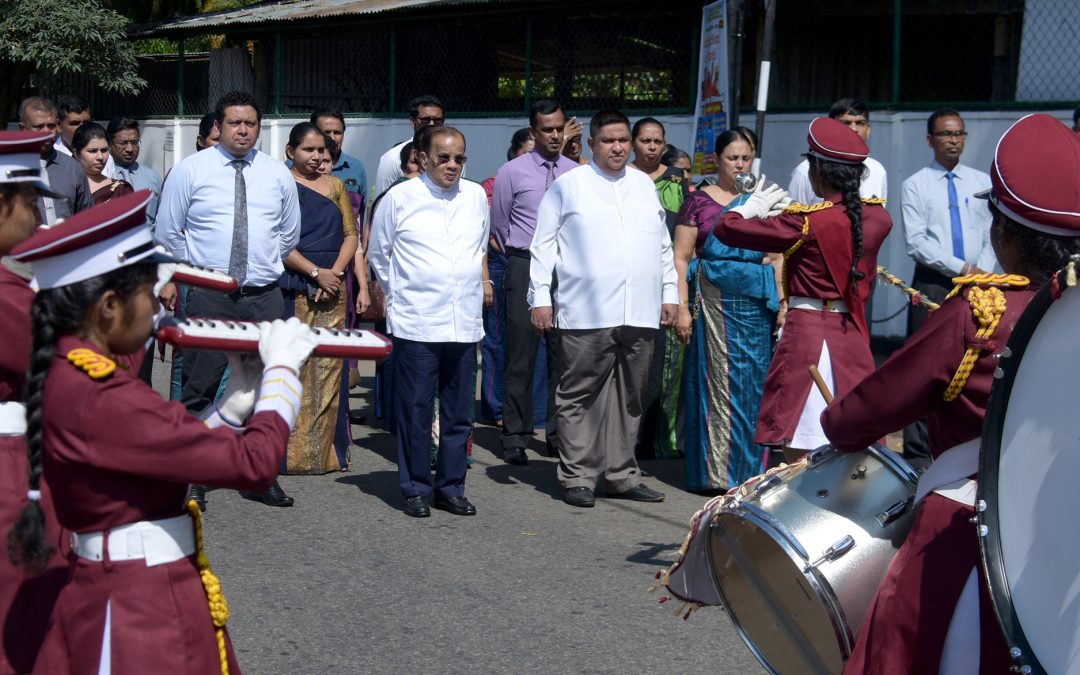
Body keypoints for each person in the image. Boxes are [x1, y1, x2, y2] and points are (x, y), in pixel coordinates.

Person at [7, 190, 318, 673]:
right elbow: (255, 466)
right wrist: (282, 373)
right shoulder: (100, 392)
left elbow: (160, 457)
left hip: (128, 585)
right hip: (139, 608)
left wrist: (234, 404)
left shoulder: (75, 373)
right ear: (108, 307)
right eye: (148, 295)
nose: (157, 308)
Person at [822, 113, 1080, 674]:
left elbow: (866, 412)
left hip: (969, 534)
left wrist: (838, 422)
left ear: (1005, 232)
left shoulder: (981, 311)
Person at [712, 117, 892, 461]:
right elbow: (844, 221)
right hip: (850, 334)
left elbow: (725, 228)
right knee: (856, 434)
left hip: (808, 332)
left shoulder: (806, 222)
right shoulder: (878, 218)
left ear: (818, 171)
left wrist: (751, 207)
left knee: (799, 438)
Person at [156, 90, 301, 509]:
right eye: (235, 123)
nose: (243, 130)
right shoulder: (190, 171)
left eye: (250, 123)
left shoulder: (275, 174)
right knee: (199, 386)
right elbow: (168, 231)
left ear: (260, 128)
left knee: (263, 388)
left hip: (263, 296)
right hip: (210, 296)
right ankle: (191, 476)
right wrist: (199, 274)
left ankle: (257, 475)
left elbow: (288, 233)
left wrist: (260, 264)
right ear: (218, 127)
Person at [529, 108, 676, 508]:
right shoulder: (569, 185)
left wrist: (670, 293)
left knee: (630, 396)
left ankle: (621, 474)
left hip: (640, 309)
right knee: (580, 395)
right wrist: (540, 297)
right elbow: (543, 245)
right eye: (608, 140)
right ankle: (578, 475)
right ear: (592, 144)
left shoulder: (643, 185)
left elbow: (663, 245)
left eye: (623, 140)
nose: (617, 147)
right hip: (586, 311)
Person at [368, 126, 490, 518]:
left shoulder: (475, 196)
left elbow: (479, 247)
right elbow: (379, 253)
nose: (452, 165)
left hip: (463, 321)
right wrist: (403, 295)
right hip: (418, 321)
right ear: (423, 158)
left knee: (459, 413)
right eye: (443, 158)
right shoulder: (399, 198)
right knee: (417, 410)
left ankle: (451, 488)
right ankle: (416, 488)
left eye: (459, 158)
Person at [0, 130, 71, 674]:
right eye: (29, 203)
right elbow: (74, 370)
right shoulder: (5, 290)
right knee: (27, 620)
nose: (39, 218)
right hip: (10, 462)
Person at [674, 128, 780, 491]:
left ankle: (751, 473)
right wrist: (682, 308)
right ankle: (715, 473)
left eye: (746, 158)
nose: (739, 165)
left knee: (753, 385)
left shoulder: (762, 199)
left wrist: (782, 302)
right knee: (716, 384)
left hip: (755, 305)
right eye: (732, 158)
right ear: (717, 160)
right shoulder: (699, 202)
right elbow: (681, 257)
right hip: (713, 302)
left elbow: (778, 255)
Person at [901, 108, 996, 471]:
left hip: (978, 282)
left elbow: (990, 232)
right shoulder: (916, 184)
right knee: (924, 365)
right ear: (930, 140)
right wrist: (962, 269)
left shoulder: (980, 182)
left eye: (959, 133)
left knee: (972, 362)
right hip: (934, 282)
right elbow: (917, 242)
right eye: (945, 134)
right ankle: (918, 454)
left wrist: (981, 271)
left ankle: (965, 444)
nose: (954, 140)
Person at [493, 100, 578, 466]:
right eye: (547, 129)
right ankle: (515, 433)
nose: (555, 135)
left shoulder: (576, 173)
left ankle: (558, 436)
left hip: (567, 269)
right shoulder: (512, 171)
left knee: (565, 355)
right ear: (533, 131)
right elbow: (500, 225)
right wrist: (522, 257)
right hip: (524, 263)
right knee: (521, 353)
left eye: (559, 128)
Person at [279, 123, 360, 474]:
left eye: (321, 151)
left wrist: (335, 274)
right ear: (290, 152)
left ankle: (327, 454)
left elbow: (351, 235)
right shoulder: (281, 185)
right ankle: (288, 455)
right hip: (296, 282)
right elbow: (279, 241)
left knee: (329, 367)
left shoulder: (336, 185)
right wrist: (316, 273)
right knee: (294, 365)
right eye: (307, 150)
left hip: (333, 287)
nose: (315, 157)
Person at [630, 117, 690, 459]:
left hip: (666, 276)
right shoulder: (623, 176)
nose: (651, 147)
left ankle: (655, 439)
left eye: (657, 141)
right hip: (629, 276)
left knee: (661, 362)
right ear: (634, 143)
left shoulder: (676, 179)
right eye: (645, 140)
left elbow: (685, 228)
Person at [478, 126, 535, 425]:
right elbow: (488, 233)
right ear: (513, 154)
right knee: (498, 338)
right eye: (527, 153)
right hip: (502, 261)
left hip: (536, 263)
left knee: (532, 340)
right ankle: (495, 407)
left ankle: (529, 408)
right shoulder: (493, 184)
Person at [787, 98, 887, 205]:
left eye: (860, 123)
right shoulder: (806, 170)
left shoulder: (877, 170)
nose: (854, 129)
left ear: (868, 129)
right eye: (846, 123)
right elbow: (797, 213)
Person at [17, 96, 92, 223]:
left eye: (51, 126)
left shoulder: (73, 169)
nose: (47, 132)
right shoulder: (7, 170)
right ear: (22, 129)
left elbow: (87, 219)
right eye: (39, 126)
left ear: (58, 125)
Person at [374, 95, 444, 196]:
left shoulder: (453, 158)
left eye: (437, 120)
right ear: (412, 121)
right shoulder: (393, 157)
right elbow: (382, 200)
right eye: (425, 120)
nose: (431, 124)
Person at [310, 108, 367, 221]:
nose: (332, 138)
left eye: (337, 133)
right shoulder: (295, 168)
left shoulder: (356, 168)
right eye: (326, 132)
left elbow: (364, 213)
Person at [108, 118, 163, 225]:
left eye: (134, 143)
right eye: (123, 143)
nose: (130, 149)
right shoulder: (102, 176)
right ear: (110, 144)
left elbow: (162, 217)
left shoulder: (153, 177)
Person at [54, 94, 115, 178]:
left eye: (86, 122)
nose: (82, 128)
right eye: (75, 123)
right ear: (59, 125)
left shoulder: (105, 159)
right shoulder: (51, 158)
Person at [72, 122, 134, 205]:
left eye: (104, 150)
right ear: (77, 153)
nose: (100, 157)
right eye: (93, 151)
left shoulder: (120, 190)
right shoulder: (65, 186)